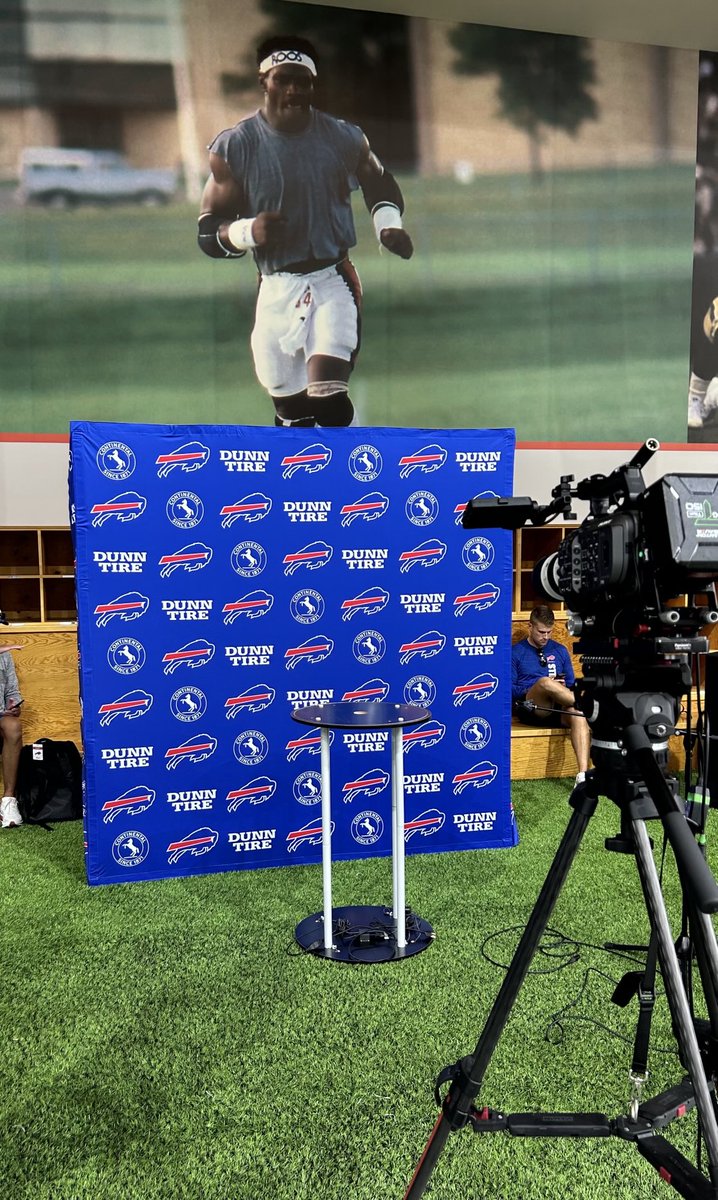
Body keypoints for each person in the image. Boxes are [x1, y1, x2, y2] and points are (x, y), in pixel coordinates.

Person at [197, 35, 413, 428]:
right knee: (291, 414)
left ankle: (353, 463)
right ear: (264, 82)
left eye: (303, 81)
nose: (294, 90)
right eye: (283, 79)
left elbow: (380, 182)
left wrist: (388, 226)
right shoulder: (235, 146)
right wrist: (248, 232)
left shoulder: (343, 137)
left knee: (328, 401)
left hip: (332, 279)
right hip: (275, 287)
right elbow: (209, 233)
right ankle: (301, 467)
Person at [511, 605, 591, 784]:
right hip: (531, 707)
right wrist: (539, 686)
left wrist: (560, 687)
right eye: (541, 632)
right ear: (530, 626)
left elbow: (572, 684)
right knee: (545, 682)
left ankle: (583, 777)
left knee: (578, 714)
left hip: (559, 706)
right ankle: (592, 708)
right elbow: (509, 690)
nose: (545, 637)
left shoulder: (560, 650)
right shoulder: (516, 652)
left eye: (549, 632)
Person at [0, 648, 23, 828]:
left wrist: (14, 706)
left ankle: (8, 802)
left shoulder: (4, 655)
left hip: (1, 715)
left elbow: (12, 692)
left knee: (13, 726)